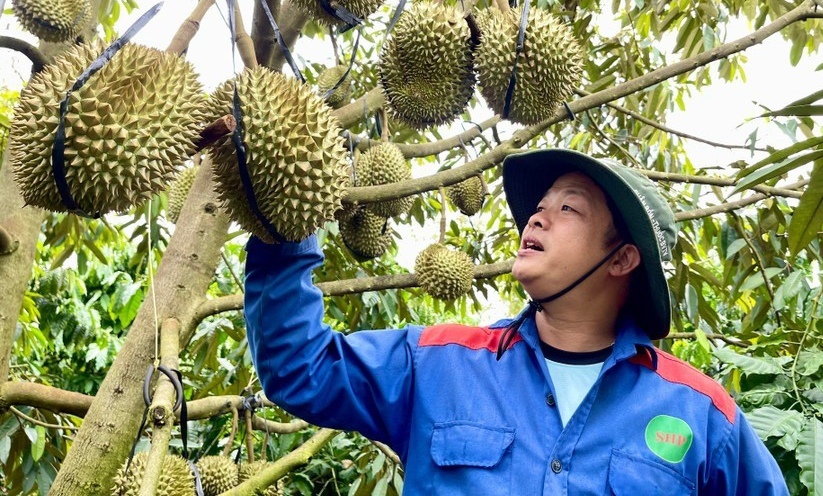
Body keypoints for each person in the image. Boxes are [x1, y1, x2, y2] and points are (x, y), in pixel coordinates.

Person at [243, 148, 788, 494]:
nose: (537, 215)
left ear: (622, 258)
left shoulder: (699, 411)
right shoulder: (437, 362)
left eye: (569, 208)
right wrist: (289, 206)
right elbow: (299, 368)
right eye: (540, 205)